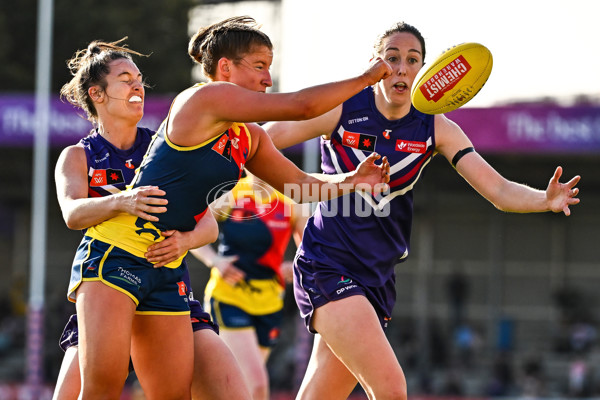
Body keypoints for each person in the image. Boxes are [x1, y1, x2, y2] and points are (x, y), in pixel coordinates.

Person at [66, 16, 391, 400]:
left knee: (172, 395)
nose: (268, 79)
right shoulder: (203, 98)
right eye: (259, 67)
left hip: (167, 270)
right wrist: (368, 78)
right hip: (115, 253)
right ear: (225, 68)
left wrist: (353, 181)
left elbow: (298, 187)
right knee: (102, 388)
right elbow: (302, 107)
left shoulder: (249, 137)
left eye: (270, 68)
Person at [264, 21, 581, 400]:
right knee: (391, 388)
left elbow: (497, 189)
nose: (401, 67)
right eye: (392, 58)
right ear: (374, 64)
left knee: (320, 395)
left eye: (412, 60)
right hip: (327, 264)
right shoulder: (341, 110)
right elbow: (263, 143)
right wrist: (326, 183)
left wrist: (544, 200)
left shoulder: (436, 128)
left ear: (426, 72)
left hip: (377, 277)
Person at [53, 39, 250, 400]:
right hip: (111, 277)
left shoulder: (163, 146)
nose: (137, 86)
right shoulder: (77, 155)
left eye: (140, 78)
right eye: (125, 78)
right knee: (91, 391)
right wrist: (123, 202)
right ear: (97, 94)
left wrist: (186, 241)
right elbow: (72, 213)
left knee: (230, 390)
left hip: (165, 281)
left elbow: (206, 223)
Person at [190, 172, 310, 400]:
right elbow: (192, 229)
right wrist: (214, 260)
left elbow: (311, 249)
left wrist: (297, 267)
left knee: (242, 386)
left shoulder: (289, 201)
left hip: (270, 302)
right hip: (229, 298)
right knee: (257, 384)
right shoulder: (231, 194)